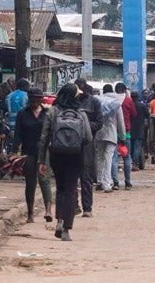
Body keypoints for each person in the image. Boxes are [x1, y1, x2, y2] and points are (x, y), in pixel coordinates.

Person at [38, 83, 93, 241]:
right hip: (76, 156)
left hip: (57, 155)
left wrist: (42, 160)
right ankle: (67, 230)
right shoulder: (81, 114)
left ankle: (59, 221)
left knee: (61, 187)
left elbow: (43, 138)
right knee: (71, 189)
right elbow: (88, 138)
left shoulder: (53, 112)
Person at [14, 87, 54, 223]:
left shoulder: (47, 113)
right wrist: (14, 152)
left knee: (44, 180)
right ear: (29, 99)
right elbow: (17, 135)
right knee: (30, 183)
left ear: (40, 99)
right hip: (28, 153)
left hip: (44, 152)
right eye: (32, 98)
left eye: (37, 98)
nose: (34, 101)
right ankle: (30, 213)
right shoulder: (22, 114)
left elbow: (52, 132)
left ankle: (48, 211)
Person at [73, 78, 103, 217]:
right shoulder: (70, 101)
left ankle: (87, 208)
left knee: (86, 177)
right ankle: (74, 206)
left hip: (87, 143)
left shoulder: (94, 102)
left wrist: (85, 127)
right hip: (70, 143)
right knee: (71, 177)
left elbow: (99, 122)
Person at [95, 84, 127, 193]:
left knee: (100, 157)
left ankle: (99, 181)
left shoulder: (98, 102)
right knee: (108, 158)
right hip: (111, 134)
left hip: (99, 133)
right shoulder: (116, 104)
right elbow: (121, 122)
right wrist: (123, 137)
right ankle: (107, 184)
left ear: (103, 91)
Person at [114, 82, 136, 188]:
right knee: (126, 157)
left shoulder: (112, 100)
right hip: (126, 132)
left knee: (113, 158)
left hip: (113, 132)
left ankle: (115, 183)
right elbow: (134, 114)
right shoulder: (128, 100)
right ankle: (127, 182)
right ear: (124, 90)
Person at [127, 86, 149, 171]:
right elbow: (148, 115)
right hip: (140, 129)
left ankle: (131, 161)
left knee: (131, 147)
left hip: (129, 128)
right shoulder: (142, 106)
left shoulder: (128, 105)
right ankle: (135, 163)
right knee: (137, 147)